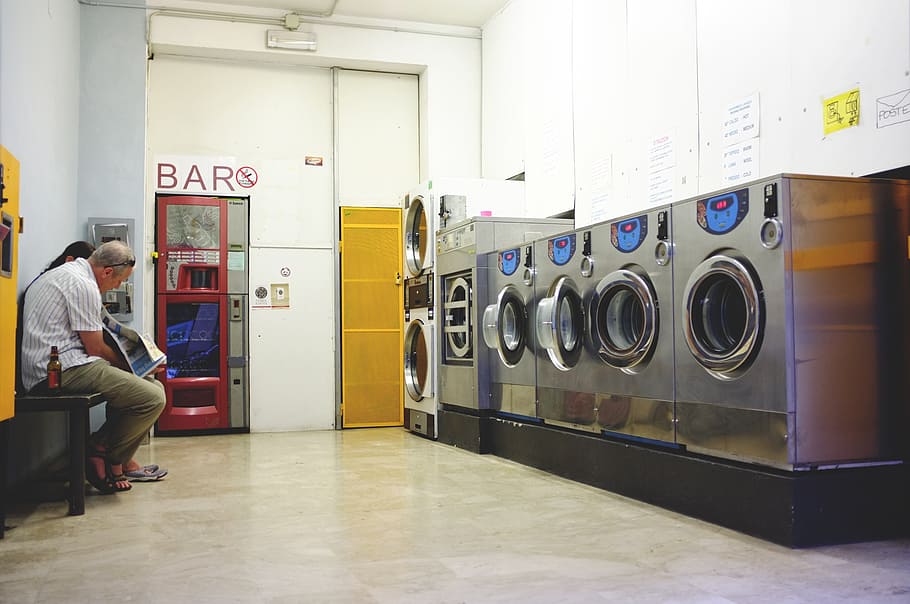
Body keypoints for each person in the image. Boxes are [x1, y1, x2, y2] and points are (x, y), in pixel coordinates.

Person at [20, 240, 167, 493]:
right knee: (153, 397)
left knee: (147, 385)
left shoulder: (64, 274)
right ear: (107, 271)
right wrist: (137, 366)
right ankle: (107, 455)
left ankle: (101, 445)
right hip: (59, 370)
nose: (117, 287)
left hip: (49, 365)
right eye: (119, 281)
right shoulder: (84, 285)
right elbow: (96, 349)